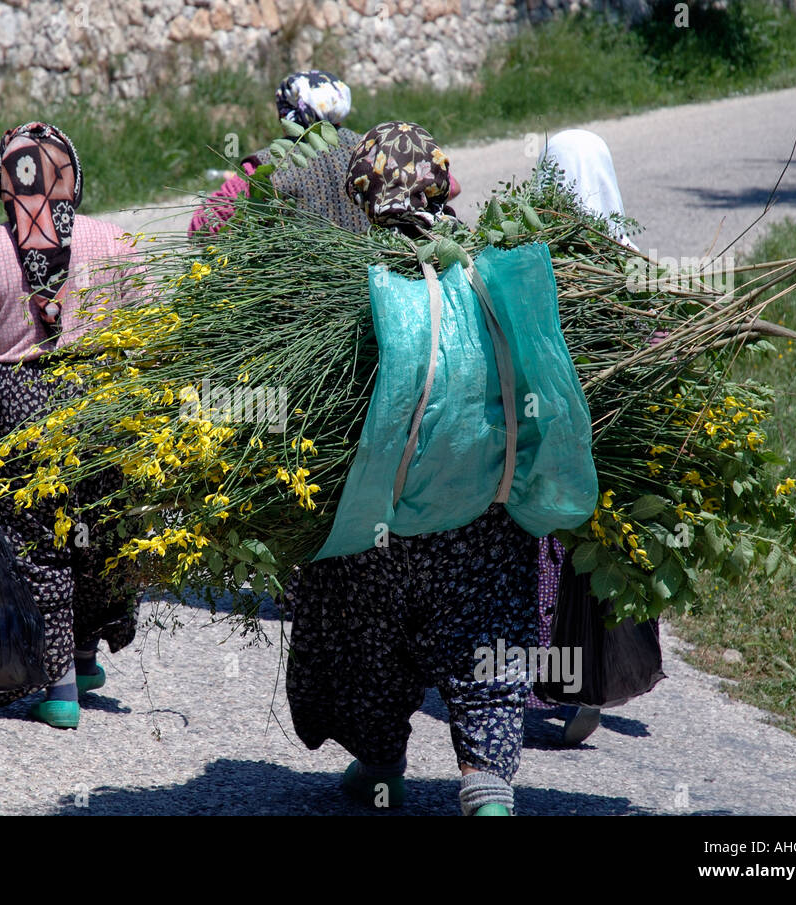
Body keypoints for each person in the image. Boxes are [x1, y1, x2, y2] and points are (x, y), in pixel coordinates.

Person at [284, 121, 533, 816]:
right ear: (441, 183)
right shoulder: (488, 264)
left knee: (365, 628)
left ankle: (381, 762)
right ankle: (487, 786)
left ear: (359, 192)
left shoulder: (346, 281)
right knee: (487, 630)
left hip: (379, 522)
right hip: (481, 514)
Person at [0, 122, 139, 730]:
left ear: (1, 181)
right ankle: (80, 658)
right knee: (96, 534)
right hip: (100, 407)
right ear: (73, 178)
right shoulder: (116, 243)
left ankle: (57, 686)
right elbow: (153, 339)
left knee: (33, 545)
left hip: (11, 413)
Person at [527, 128, 644, 743]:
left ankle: (548, 688)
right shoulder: (627, 256)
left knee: (550, 558)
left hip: (554, 440)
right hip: (613, 440)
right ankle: (584, 692)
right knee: (596, 561)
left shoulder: (540, 254)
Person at [189, 70, 371, 236]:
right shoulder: (370, 149)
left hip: (300, 270)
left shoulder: (268, 164)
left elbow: (202, 225)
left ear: (286, 116)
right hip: (368, 268)